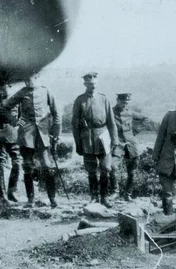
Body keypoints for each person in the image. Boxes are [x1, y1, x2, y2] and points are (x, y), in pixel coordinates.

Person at [5, 72, 60, 208]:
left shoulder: (46, 91)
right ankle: (31, 200)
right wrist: (17, 121)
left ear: (36, 78)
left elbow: (56, 112)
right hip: (26, 134)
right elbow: (5, 107)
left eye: (30, 79)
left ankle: (52, 199)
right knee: (28, 165)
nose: (28, 82)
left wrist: (55, 131)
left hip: (43, 134)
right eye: (26, 80)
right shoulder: (22, 92)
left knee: (47, 166)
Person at [72, 72, 118, 207]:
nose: (92, 86)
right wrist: (78, 143)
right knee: (91, 169)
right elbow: (74, 124)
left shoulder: (104, 99)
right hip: (87, 138)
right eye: (90, 84)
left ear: (97, 84)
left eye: (95, 84)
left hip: (103, 136)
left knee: (105, 167)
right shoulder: (80, 100)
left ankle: (104, 197)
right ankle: (94, 196)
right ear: (85, 84)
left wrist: (114, 139)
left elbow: (111, 121)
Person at [110, 92, 147, 201]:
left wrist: (135, 131)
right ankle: (115, 192)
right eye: (122, 102)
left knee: (132, 171)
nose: (124, 105)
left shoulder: (130, 112)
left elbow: (146, 119)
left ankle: (128, 194)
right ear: (117, 101)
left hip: (131, 143)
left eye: (126, 103)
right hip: (118, 143)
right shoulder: (111, 112)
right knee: (112, 166)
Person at [0, 84, 21, 204]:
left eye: (5, 87)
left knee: (17, 162)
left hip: (13, 134)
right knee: (0, 164)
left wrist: (19, 126)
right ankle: (2, 195)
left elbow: (22, 115)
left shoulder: (16, 99)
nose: (3, 90)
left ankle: (12, 192)